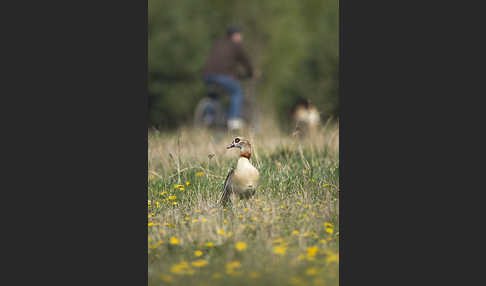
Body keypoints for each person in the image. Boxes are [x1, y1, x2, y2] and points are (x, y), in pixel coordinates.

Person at [202, 25, 253, 130]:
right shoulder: (236, 45)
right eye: (240, 35)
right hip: (223, 76)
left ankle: (209, 117)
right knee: (237, 91)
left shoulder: (218, 43)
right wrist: (251, 73)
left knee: (214, 95)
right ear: (235, 35)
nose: (241, 37)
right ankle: (233, 120)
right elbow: (245, 61)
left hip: (207, 75)